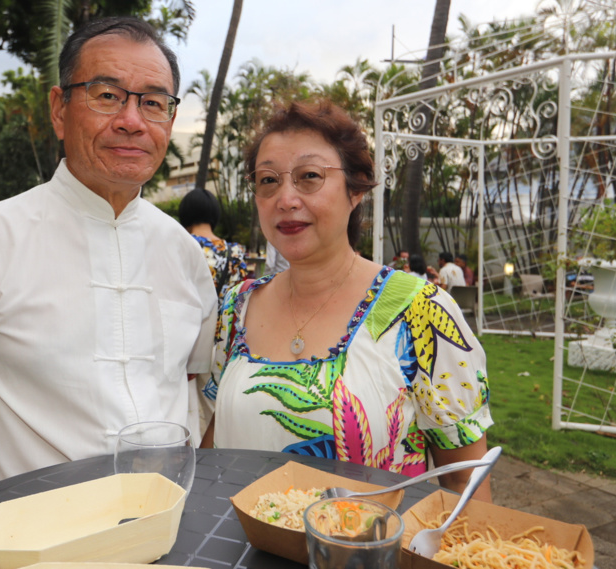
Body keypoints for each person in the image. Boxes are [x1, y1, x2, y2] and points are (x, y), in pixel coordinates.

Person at [0, 17, 218, 501]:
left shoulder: (185, 254)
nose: (132, 120)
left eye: (154, 103)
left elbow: (192, 396)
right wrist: (0, 522)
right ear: (59, 109)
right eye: (107, 95)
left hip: (163, 536)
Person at [203, 100, 493, 500]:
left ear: (356, 189)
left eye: (309, 176)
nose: (285, 198)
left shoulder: (420, 310)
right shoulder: (237, 307)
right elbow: (215, 439)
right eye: (268, 180)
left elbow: (463, 480)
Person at [178, 188, 247, 301]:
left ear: (185, 214)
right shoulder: (235, 252)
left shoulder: (181, 245)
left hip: (189, 318)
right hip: (223, 318)